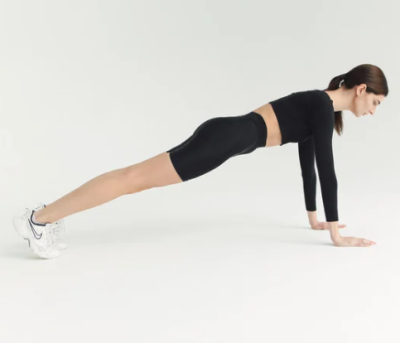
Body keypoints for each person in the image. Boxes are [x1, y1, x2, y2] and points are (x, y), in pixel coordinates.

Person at [13, 64, 388, 259]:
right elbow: (328, 170)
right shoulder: (322, 105)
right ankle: (38, 219)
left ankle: (44, 217)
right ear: (361, 89)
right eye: (375, 102)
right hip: (224, 139)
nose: (372, 111)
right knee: (132, 178)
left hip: (225, 136)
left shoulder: (321, 107)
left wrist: (314, 220)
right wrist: (337, 235)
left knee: (133, 177)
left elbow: (309, 163)